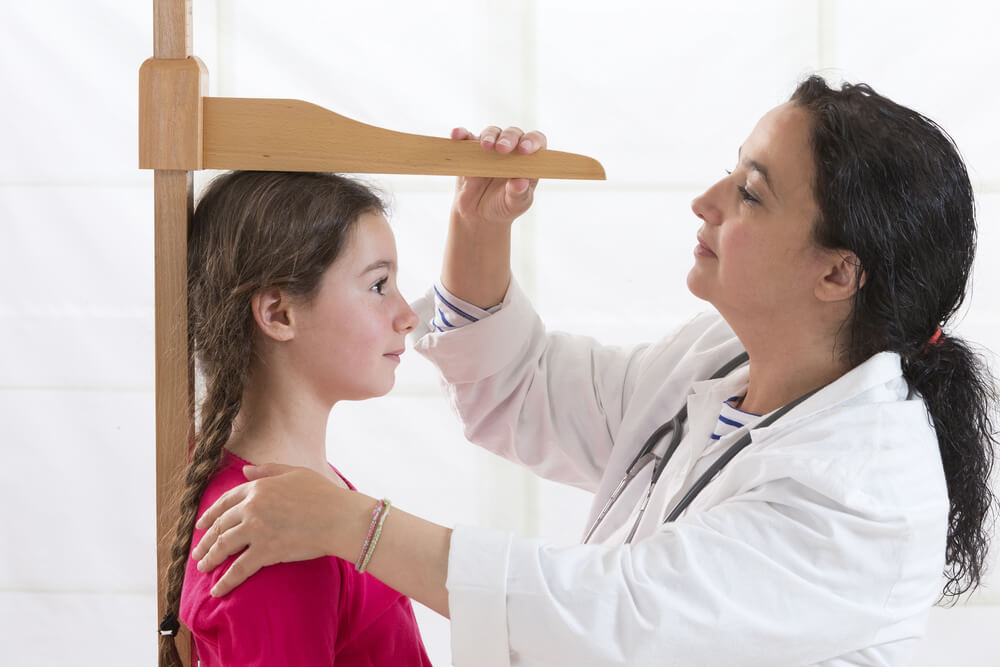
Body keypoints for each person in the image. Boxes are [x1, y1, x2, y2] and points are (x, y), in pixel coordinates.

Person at [189, 77, 998, 666]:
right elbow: (528, 388)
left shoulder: (865, 489)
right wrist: (479, 225)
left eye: (751, 194)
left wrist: (357, 527)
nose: (706, 201)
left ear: (837, 273)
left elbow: (618, 615)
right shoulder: (717, 362)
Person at [156, 171, 430, 666]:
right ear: (279, 314)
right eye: (378, 285)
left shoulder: (297, 498)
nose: (407, 314)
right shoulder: (273, 540)